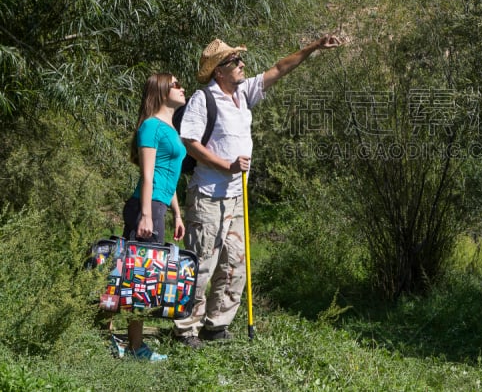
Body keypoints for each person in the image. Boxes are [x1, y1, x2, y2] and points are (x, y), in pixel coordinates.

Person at [172, 35, 340, 348]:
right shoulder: (203, 98)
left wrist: (314, 47)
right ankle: (185, 330)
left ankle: (216, 325)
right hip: (209, 195)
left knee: (234, 263)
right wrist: (226, 165)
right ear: (219, 70)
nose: (242, 65)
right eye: (235, 62)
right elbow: (190, 143)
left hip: (237, 195)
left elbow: (279, 69)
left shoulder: (243, 92)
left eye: (239, 60)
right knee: (201, 264)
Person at [121, 72, 187, 361]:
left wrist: (177, 212)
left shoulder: (170, 128)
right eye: (176, 85)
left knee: (146, 276)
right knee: (140, 277)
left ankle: (131, 343)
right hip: (145, 207)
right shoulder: (150, 126)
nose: (182, 88)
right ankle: (135, 347)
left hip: (159, 205)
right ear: (162, 91)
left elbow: (167, 175)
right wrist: (146, 215)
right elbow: (148, 175)